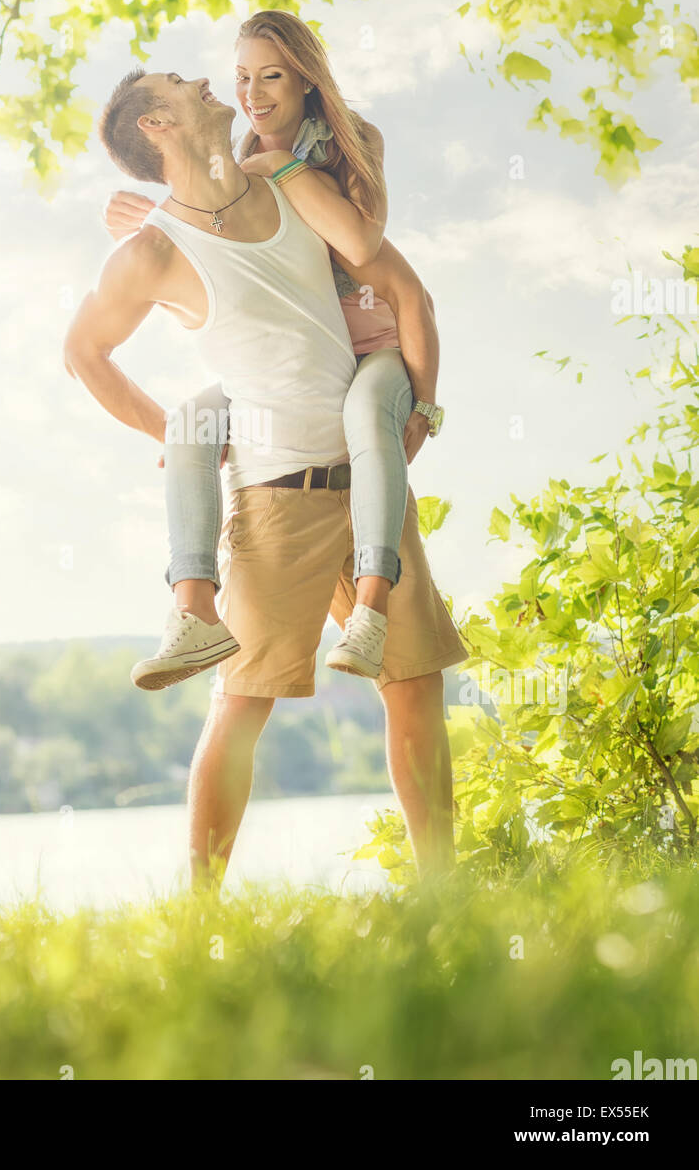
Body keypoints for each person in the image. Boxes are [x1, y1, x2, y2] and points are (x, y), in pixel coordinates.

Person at [64, 66, 466, 882]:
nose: (210, 80)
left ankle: (443, 900)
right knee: (241, 707)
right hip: (274, 502)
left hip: (368, 481)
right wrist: (179, 435)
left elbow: (374, 247)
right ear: (156, 127)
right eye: (183, 84)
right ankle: (200, 915)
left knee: (415, 690)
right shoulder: (149, 252)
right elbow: (83, 353)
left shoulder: (283, 184)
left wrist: (419, 404)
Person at [102, 11, 444, 691]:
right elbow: (208, 224)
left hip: (364, 344)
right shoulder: (238, 159)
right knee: (193, 424)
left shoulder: (338, 147)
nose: (251, 93)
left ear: (307, 80)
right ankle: (191, 606)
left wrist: (426, 405)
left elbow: (367, 248)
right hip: (289, 374)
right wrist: (154, 220)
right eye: (242, 77)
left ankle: (371, 607)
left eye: (273, 75)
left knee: (368, 411)